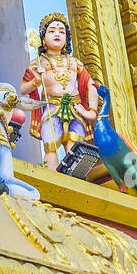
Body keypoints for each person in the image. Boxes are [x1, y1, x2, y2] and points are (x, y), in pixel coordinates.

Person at [21, 13, 99, 170]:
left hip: (76, 108)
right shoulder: (38, 62)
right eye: (52, 31)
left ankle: (76, 179)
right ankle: (53, 175)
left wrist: (91, 110)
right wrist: (36, 80)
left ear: (66, 39)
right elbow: (23, 89)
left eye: (61, 31)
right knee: (50, 144)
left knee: (75, 145)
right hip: (52, 107)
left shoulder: (75, 62)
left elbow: (90, 85)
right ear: (43, 39)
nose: (57, 34)